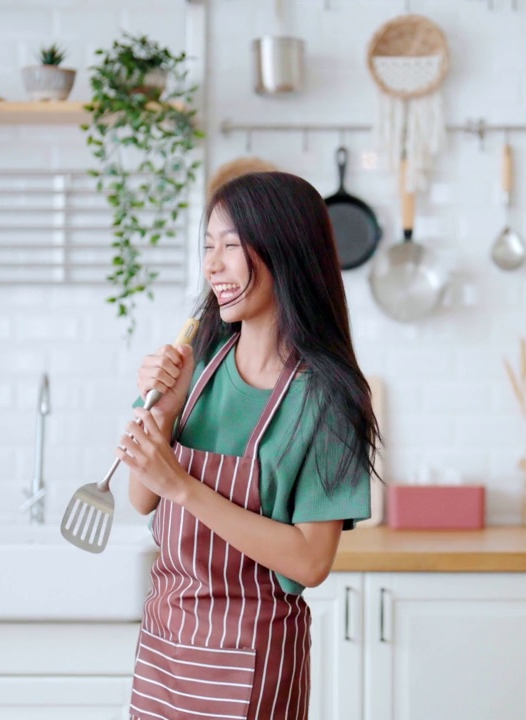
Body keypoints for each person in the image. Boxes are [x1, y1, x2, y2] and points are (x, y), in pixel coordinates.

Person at [116, 171, 378, 720]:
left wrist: (184, 489)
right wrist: (160, 409)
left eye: (231, 246)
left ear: (286, 251)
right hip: (167, 646)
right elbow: (143, 499)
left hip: (252, 659)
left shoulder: (327, 398)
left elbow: (310, 561)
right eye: (208, 246)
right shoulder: (202, 364)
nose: (212, 265)